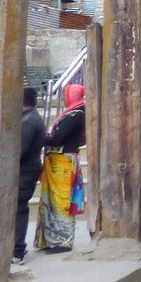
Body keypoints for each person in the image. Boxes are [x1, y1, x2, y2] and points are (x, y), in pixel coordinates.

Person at [36, 83, 86, 252]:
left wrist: (42, 137)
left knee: (60, 201)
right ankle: (51, 239)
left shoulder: (76, 114)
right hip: (58, 161)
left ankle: (62, 240)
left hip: (63, 162)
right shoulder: (74, 113)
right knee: (51, 201)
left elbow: (57, 139)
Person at [14, 87, 46, 264]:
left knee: (18, 209)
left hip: (25, 172)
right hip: (27, 170)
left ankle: (17, 249)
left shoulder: (28, 122)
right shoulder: (31, 118)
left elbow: (20, 151)